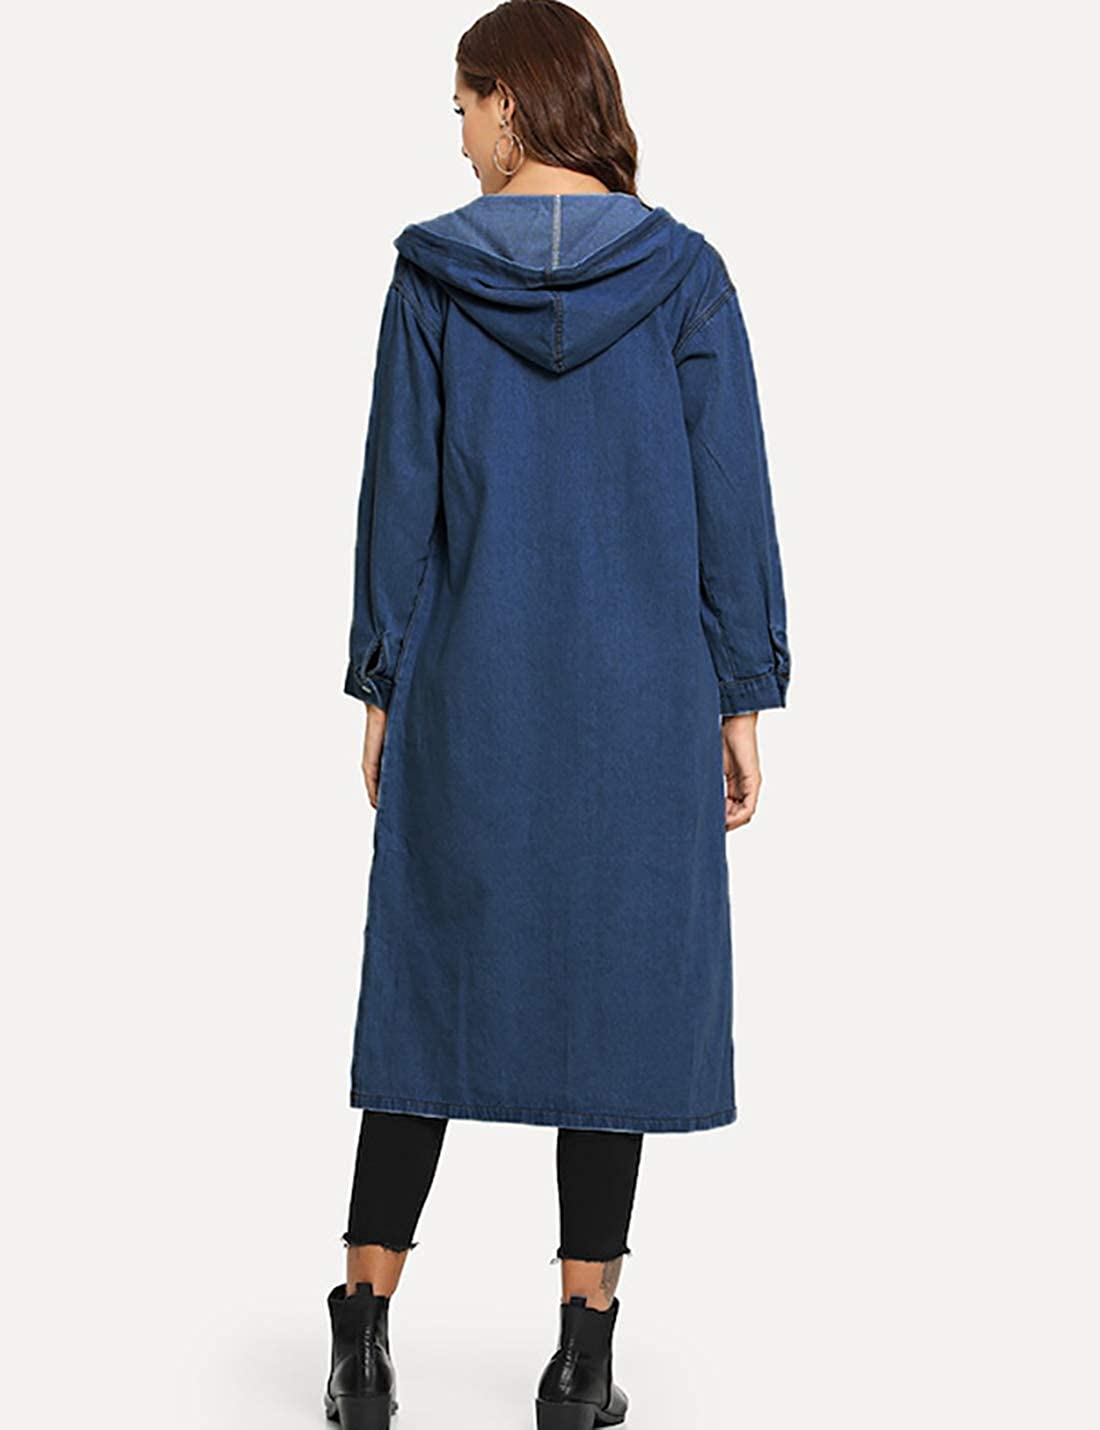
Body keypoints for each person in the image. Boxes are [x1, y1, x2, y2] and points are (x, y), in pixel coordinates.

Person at [325, 4, 792, 1428]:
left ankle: (362, 1333)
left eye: (464, 105)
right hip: (642, 699)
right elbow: (730, 496)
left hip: (474, 685)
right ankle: (583, 1358)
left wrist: (383, 679)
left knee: (429, 981)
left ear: (514, 105)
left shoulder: (432, 276)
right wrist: (740, 693)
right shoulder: (686, 277)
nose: (459, 135)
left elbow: (400, 496)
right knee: (617, 995)